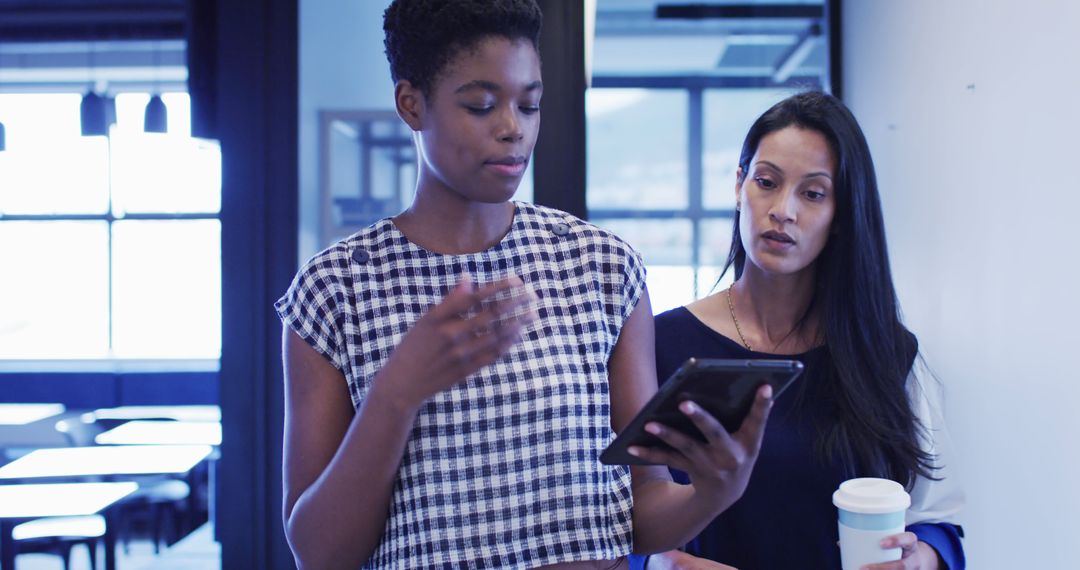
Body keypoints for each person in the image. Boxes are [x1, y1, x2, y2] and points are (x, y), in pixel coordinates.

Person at [275, 1, 774, 568]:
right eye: (481, 105)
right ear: (411, 104)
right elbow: (319, 554)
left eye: (529, 104)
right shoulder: (336, 287)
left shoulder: (600, 266)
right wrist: (397, 392)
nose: (514, 128)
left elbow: (637, 511)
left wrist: (711, 493)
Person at [638, 91, 965, 570]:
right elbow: (606, 520)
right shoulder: (661, 345)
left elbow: (939, 518)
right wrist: (666, 565)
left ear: (841, 214)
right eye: (766, 182)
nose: (782, 210)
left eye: (812, 193)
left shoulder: (885, 354)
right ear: (738, 186)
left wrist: (921, 560)